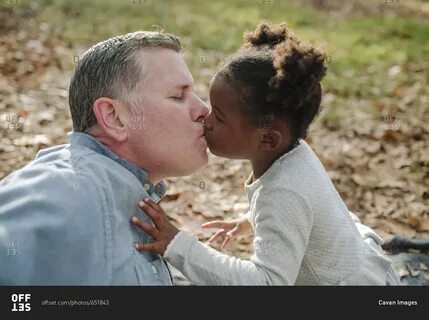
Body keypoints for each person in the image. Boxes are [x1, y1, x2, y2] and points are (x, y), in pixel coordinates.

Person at [132, 22, 401, 285]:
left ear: (268, 139)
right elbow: (302, 211)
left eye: (221, 117)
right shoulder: (295, 154)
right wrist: (250, 221)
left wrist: (178, 245)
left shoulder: (285, 192)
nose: (206, 118)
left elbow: (268, 282)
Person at [0, 31, 209, 285]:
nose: (203, 109)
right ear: (113, 117)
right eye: (178, 96)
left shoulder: (124, 195)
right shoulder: (68, 186)